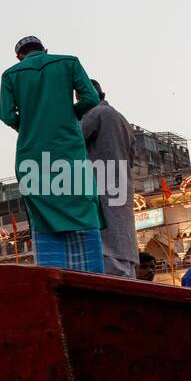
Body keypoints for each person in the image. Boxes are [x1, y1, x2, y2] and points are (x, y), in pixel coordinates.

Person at [0, 36, 103, 273]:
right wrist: (70, 115)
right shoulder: (69, 62)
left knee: (42, 212)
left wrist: (27, 126)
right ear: (45, 50)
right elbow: (90, 98)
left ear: (19, 56)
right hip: (68, 151)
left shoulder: (11, 75)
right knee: (82, 206)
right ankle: (91, 276)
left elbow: (7, 115)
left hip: (32, 155)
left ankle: (53, 275)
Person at [81, 79, 137, 278]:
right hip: (120, 189)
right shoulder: (122, 120)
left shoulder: (95, 114)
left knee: (108, 246)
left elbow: (71, 143)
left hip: (103, 189)